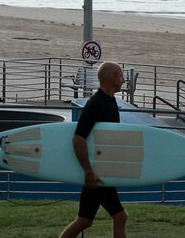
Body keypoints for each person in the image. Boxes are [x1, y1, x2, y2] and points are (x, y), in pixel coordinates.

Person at [59, 61, 128, 238]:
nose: (123, 79)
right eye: (121, 75)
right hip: (96, 174)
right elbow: (78, 138)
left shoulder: (110, 101)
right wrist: (88, 171)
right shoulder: (96, 103)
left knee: (117, 217)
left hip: (103, 171)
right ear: (112, 77)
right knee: (85, 221)